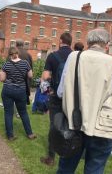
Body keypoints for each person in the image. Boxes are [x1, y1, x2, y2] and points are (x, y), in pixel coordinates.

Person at [56, 28, 112, 173]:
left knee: (65, 168)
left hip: (73, 122)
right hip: (102, 127)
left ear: (88, 42)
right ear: (107, 45)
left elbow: (60, 92)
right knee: (95, 168)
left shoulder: (74, 57)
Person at [40, 32, 73, 166]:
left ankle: (51, 157)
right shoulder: (76, 56)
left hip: (57, 96)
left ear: (60, 41)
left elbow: (46, 75)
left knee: (54, 125)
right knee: (71, 124)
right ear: (70, 42)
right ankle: (68, 153)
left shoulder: (53, 56)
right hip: (72, 96)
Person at [0, 47, 36, 141]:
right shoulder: (25, 63)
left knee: (8, 113)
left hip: (7, 90)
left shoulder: (6, 64)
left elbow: (2, 79)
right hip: (20, 90)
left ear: (9, 54)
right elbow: (30, 75)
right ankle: (30, 134)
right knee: (23, 112)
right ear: (18, 53)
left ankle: (10, 135)